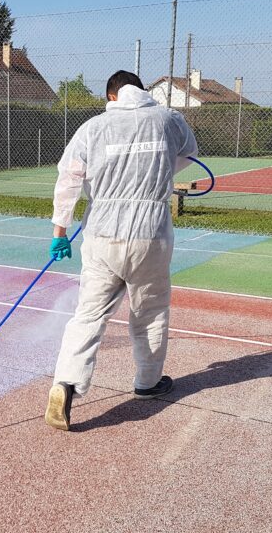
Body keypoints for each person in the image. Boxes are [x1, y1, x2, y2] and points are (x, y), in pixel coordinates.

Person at [44, 70, 198, 431]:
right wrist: (157, 171)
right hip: (151, 234)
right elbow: (188, 154)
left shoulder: (93, 128)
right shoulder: (168, 119)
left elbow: (68, 179)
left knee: (88, 314)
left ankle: (65, 383)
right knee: (150, 311)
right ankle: (147, 381)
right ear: (141, 92)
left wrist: (60, 232)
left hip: (103, 236)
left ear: (111, 96)